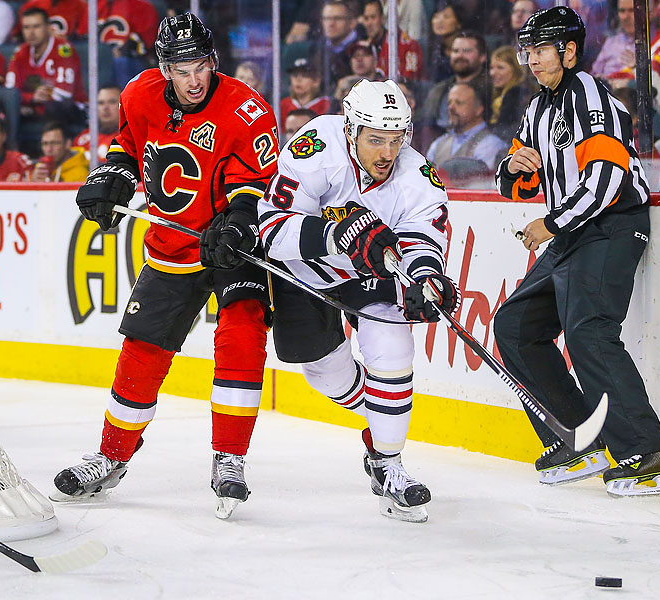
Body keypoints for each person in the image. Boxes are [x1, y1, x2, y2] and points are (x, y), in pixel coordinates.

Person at [53, 13, 278, 521]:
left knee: (241, 336)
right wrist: (112, 175)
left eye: (200, 65)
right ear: (164, 68)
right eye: (181, 68)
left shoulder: (247, 108)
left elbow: (258, 184)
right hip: (172, 241)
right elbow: (128, 147)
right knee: (142, 350)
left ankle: (230, 459)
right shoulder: (138, 93)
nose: (194, 79)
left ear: (212, 60)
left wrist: (240, 219)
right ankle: (111, 458)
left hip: (234, 245)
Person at [493, 7, 660, 498]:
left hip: (613, 226)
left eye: (539, 50)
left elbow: (608, 179)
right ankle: (577, 437)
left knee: (587, 331)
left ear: (569, 51)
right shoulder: (538, 108)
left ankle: (646, 453)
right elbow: (513, 184)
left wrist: (551, 222)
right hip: (575, 232)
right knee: (514, 327)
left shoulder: (593, 97)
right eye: (527, 51)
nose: (530, 60)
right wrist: (513, 166)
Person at [257, 79, 458, 522]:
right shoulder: (315, 147)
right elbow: (272, 231)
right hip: (308, 270)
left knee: (393, 351)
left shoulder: (415, 171)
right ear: (350, 130)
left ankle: (389, 464)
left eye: (395, 138)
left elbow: (425, 232)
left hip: (373, 275)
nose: (387, 152)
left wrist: (426, 276)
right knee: (321, 369)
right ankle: (381, 414)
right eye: (375, 140)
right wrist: (337, 234)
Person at [6, 8, 86, 128]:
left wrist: (28, 102)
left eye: (36, 26)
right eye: (26, 27)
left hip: (70, 109)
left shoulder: (63, 50)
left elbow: (64, 93)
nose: (31, 32)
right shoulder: (20, 53)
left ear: (48, 28)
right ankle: (12, 145)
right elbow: (10, 92)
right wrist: (32, 98)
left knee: (53, 107)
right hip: (35, 108)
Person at [426, 81, 507, 171]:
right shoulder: (438, 144)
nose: (450, 108)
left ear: (479, 109)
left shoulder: (491, 145)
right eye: (449, 103)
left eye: (459, 103)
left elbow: (485, 182)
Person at [359, 0, 425, 81]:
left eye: (373, 17)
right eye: (366, 18)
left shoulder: (406, 45)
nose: (369, 23)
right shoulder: (366, 47)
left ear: (382, 19)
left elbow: (409, 83)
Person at [489, 45, 535, 141]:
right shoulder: (499, 93)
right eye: (492, 67)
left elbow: (504, 131)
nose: (493, 73)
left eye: (500, 67)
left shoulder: (515, 93)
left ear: (515, 69)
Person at [72, 85, 121, 162]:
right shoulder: (81, 140)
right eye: (101, 103)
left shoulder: (129, 139)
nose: (105, 108)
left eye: (112, 102)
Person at [280, 57, 332, 128]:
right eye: (295, 75)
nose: (298, 80)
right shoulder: (284, 104)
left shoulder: (325, 104)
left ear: (316, 81)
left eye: (304, 76)